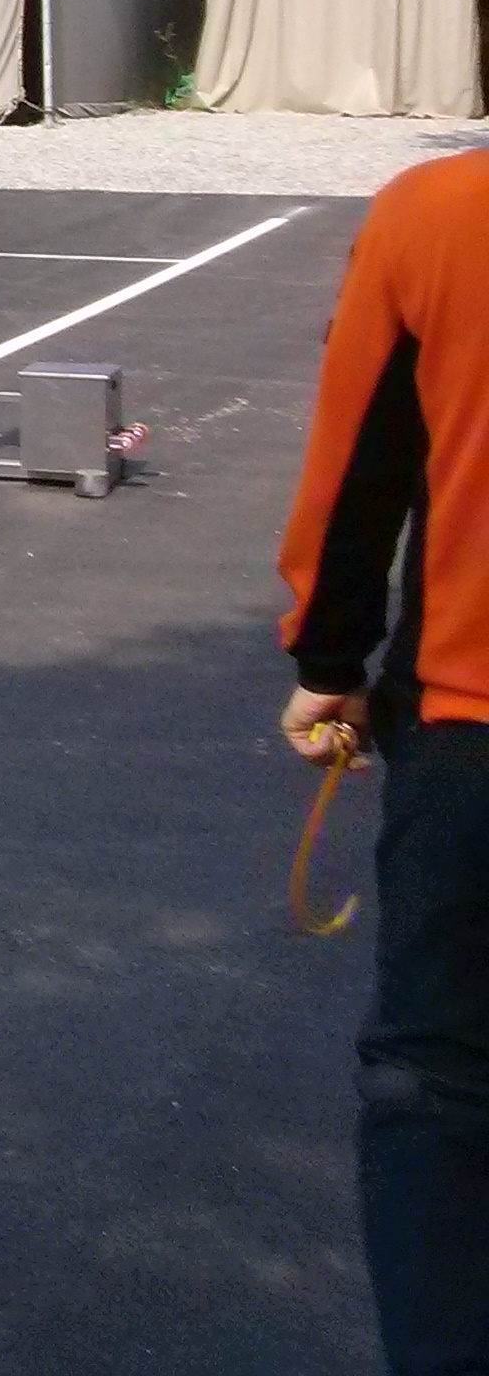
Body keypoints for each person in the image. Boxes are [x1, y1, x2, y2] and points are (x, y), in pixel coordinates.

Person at [277, 151, 489, 1375]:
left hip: (472, 727)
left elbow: (360, 460)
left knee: (439, 1088)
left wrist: (330, 653)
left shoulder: (439, 212)